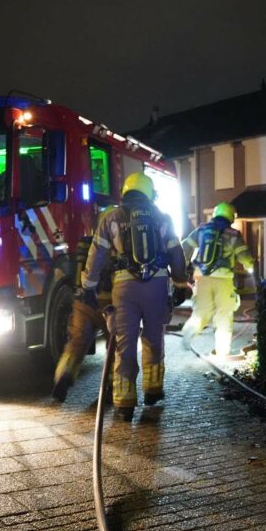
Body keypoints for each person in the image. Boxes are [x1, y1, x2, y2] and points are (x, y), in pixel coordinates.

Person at [82, 172, 188, 420]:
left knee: (124, 344)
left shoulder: (111, 217)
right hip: (157, 286)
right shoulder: (162, 217)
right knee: (153, 338)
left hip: (124, 288)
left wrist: (88, 286)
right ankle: (153, 390)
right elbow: (176, 254)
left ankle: (124, 404)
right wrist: (180, 283)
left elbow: (96, 254)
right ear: (149, 193)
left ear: (126, 192)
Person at [51, 209, 114, 402]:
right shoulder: (117, 245)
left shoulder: (85, 243)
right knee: (116, 345)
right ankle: (111, 386)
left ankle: (63, 375)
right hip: (108, 303)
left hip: (83, 302)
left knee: (76, 343)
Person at [180, 202, 254, 358]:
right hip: (223, 279)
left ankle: (188, 332)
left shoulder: (201, 230)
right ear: (231, 216)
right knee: (224, 314)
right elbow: (244, 256)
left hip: (201, 277)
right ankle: (222, 351)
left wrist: (182, 268)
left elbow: (185, 247)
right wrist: (249, 266)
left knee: (202, 311)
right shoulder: (233, 234)